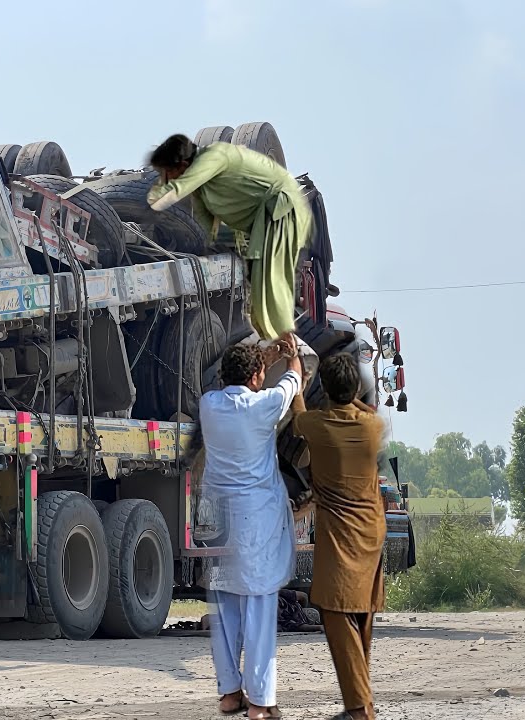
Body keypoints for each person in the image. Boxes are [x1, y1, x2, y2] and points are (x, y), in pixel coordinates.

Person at [200, 337, 305, 719]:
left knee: (226, 606)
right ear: (258, 377)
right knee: (259, 607)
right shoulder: (265, 405)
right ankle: (260, 701)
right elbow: (294, 379)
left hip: (217, 517)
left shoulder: (209, 405)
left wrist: (264, 357)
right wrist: (290, 357)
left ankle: (230, 693)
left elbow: (237, 379)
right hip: (254, 518)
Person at [147, 134, 313, 341]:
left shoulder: (213, 157)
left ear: (182, 165)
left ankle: (289, 345)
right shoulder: (201, 185)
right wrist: (204, 250)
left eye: (167, 172)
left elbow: (176, 190)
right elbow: (205, 223)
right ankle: (274, 342)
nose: (166, 178)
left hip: (279, 213)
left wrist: (153, 197)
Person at [293, 355, 386, 720]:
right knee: (361, 613)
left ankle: (359, 710)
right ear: (357, 390)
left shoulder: (318, 425)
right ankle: (362, 706)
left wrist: (297, 374)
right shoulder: (372, 427)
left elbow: (297, 411)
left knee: (334, 612)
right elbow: (364, 408)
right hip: (371, 530)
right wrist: (352, 396)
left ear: (325, 390)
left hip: (341, 534)